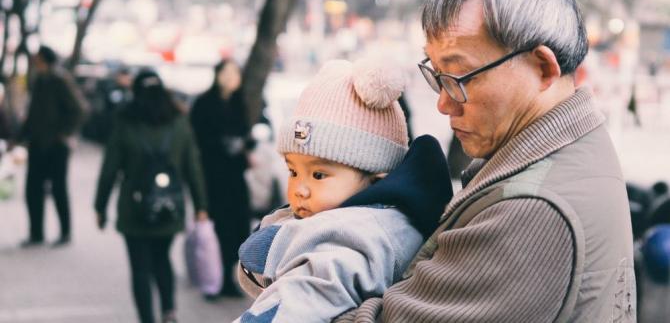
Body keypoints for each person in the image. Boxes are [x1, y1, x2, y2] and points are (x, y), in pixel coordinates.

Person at [335, 0, 636, 322]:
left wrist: (299, 277)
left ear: (542, 67)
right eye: (436, 75)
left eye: (460, 77)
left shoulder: (533, 210)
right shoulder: (576, 148)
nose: (444, 103)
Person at [234, 59, 453, 323]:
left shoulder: (354, 240)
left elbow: (303, 297)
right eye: (293, 171)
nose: (300, 190)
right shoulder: (337, 217)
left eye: (319, 175)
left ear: (374, 179)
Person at [94, 70, 208, 323]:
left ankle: (147, 318)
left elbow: (109, 168)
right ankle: (169, 312)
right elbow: (193, 167)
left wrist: (99, 207)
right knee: (162, 259)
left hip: (133, 208)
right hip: (170, 206)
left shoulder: (125, 122)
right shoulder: (179, 122)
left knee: (140, 268)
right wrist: (201, 205)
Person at [190, 59, 252, 297]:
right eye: (226, 72)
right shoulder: (204, 103)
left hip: (235, 176)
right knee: (216, 227)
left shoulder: (239, 103)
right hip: (212, 176)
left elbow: (246, 132)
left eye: (235, 72)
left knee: (237, 228)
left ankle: (228, 276)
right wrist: (222, 143)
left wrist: (244, 146)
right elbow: (197, 139)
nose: (230, 77)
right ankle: (211, 279)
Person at [19, 45, 87, 247]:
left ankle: (65, 232)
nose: (34, 61)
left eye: (38, 58)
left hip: (57, 145)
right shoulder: (39, 80)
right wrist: (21, 136)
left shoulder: (60, 79)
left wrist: (63, 133)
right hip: (38, 144)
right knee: (33, 190)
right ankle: (36, 233)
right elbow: (33, 114)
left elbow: (79, 109)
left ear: (45, 59)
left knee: (58, 189)